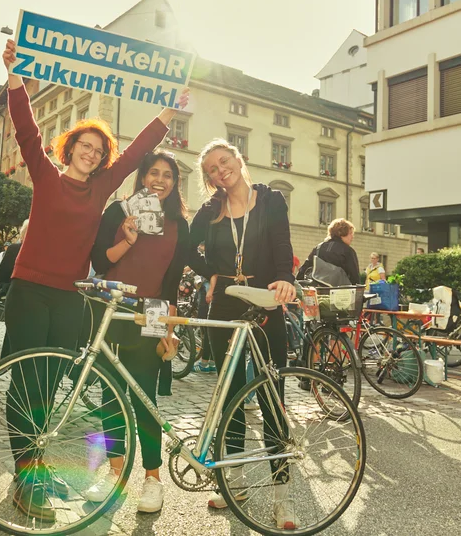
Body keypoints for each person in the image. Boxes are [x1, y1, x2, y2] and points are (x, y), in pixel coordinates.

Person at [0, 39, 188, 520]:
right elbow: (25, 131)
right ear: (70, 148)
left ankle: (37, 465)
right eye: (85, 145)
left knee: (54, 380)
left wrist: (169, 110)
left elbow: (139, 153)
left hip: (69, 297)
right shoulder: (45, 174)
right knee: (26, 380)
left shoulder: (105, 186)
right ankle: (26, 475)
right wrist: (16, 77)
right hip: (30, 289)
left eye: (99, 149)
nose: (91, 152)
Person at [189, 139, 298, 530]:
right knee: (230, 394)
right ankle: (234, 483)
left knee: (272, 394)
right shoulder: (211, 209)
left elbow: (283, 247)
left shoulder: (271, 200)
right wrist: (209, 273)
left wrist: (285, 280)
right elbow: (186, 247)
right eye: (211, 170)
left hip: (265, 300)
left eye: (223, 162)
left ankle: (281, 499)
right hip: (225, 303)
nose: (220, 171)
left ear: (239, 158)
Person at [84, 150, 189, 514]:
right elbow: (99, 261)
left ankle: (153, 479)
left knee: (146, 399)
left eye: (168, 176)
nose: (160, 180)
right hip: (113, 307)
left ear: (175, 183)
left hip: (153, 311)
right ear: (142, 176)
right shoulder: (118, 211)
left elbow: (173, 281)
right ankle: (114, 475)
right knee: (110, 397)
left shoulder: (179, 222)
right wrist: (128, 238)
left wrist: (170, 328)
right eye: (153, 173)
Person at [297, 219, 361, 286]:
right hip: (340, 292)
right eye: (350, 233)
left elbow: (304, 269)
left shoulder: (319, 248)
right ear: (341, 233)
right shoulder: (348, 251)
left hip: (319, 290)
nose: (352, 237)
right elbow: (354, 277)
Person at [0, 219, 27, 297]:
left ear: (22, 234)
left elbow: (2, 274)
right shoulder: (45, 252)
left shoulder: (14, 249)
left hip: (17, 293)